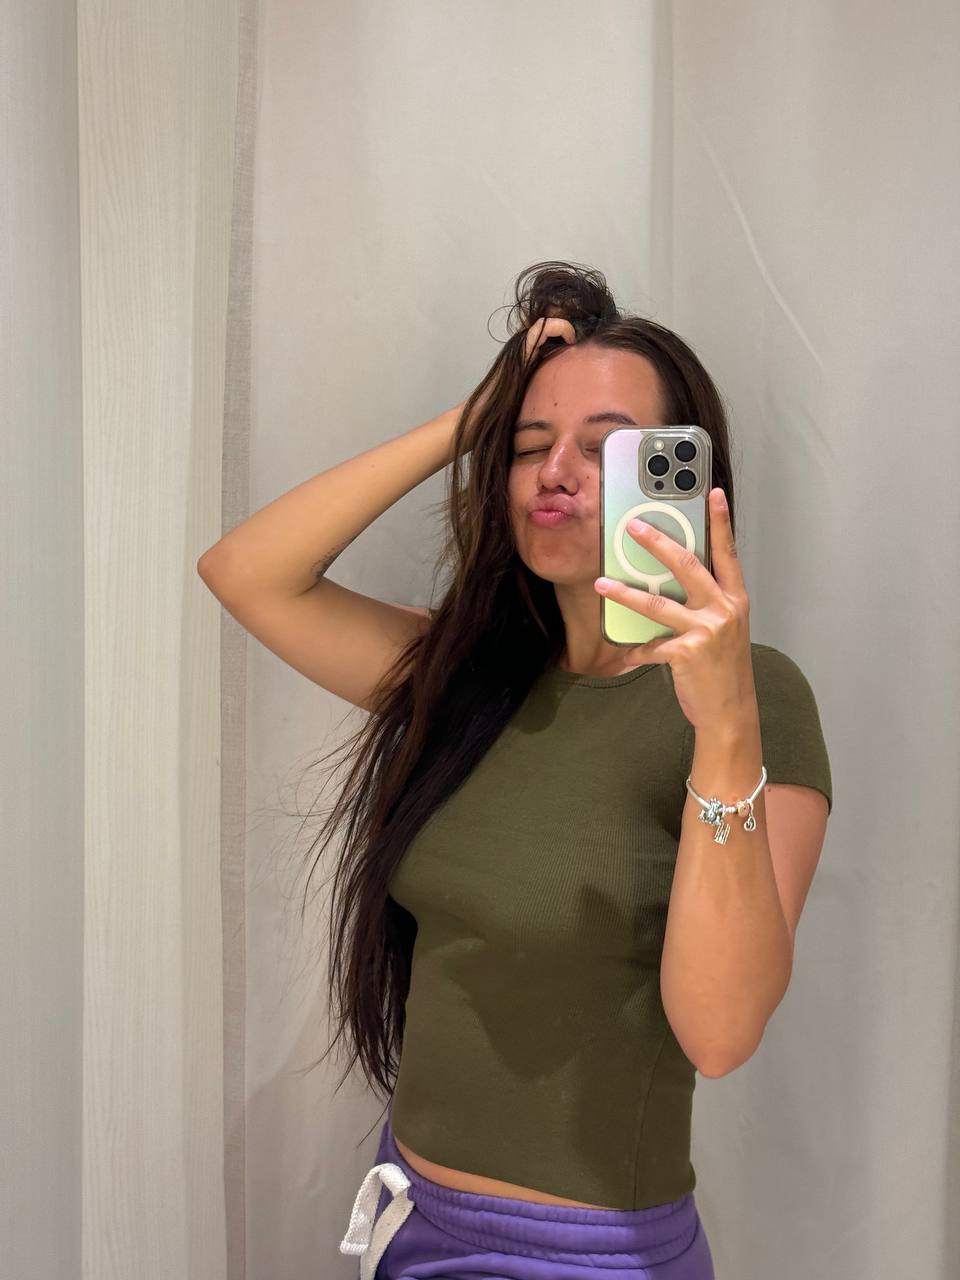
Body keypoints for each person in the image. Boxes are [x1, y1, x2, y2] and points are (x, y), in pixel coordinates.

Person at [198, 260, 832, 1279]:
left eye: (607, 448)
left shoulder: (757, 699)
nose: (556, 472)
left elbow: (720, 1034)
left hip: (587, 1256)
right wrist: (478, 415)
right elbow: (246, 571)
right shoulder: (469, 681)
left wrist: (722, 729)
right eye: (530, 446)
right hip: (409, 1216)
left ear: (678, 474)